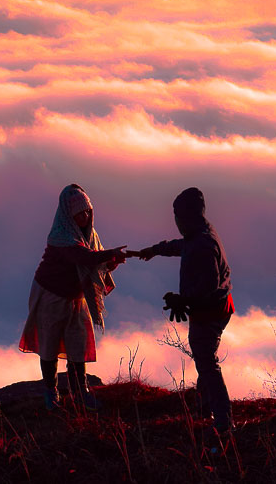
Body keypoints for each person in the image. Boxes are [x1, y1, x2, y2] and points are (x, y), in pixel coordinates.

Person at [130, 187, 235, 434]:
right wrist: (155, 250)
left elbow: (209, 285)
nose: (175, 222)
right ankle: (204, 408)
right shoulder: (199, 234)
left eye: (177, 217)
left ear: (185, 217)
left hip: (210, 312)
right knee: (204, 357)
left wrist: (183, 299)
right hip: (215, 309)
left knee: (207, 363)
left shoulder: (204, 244)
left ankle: (222, 420)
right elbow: (181, 246)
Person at [19, 183, 126, 410]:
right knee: (49, 345)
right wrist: (109, 255)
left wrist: (111, 261)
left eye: (88, 211)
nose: (85, 216)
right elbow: (84, 258)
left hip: (76, 297)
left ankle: (80, 391)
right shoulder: (61, 237)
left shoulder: (89, 236)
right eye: (79, 213)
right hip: (51, 294)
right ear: (69, 215)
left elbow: (95, 262)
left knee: (77, 344)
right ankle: (51, 393)